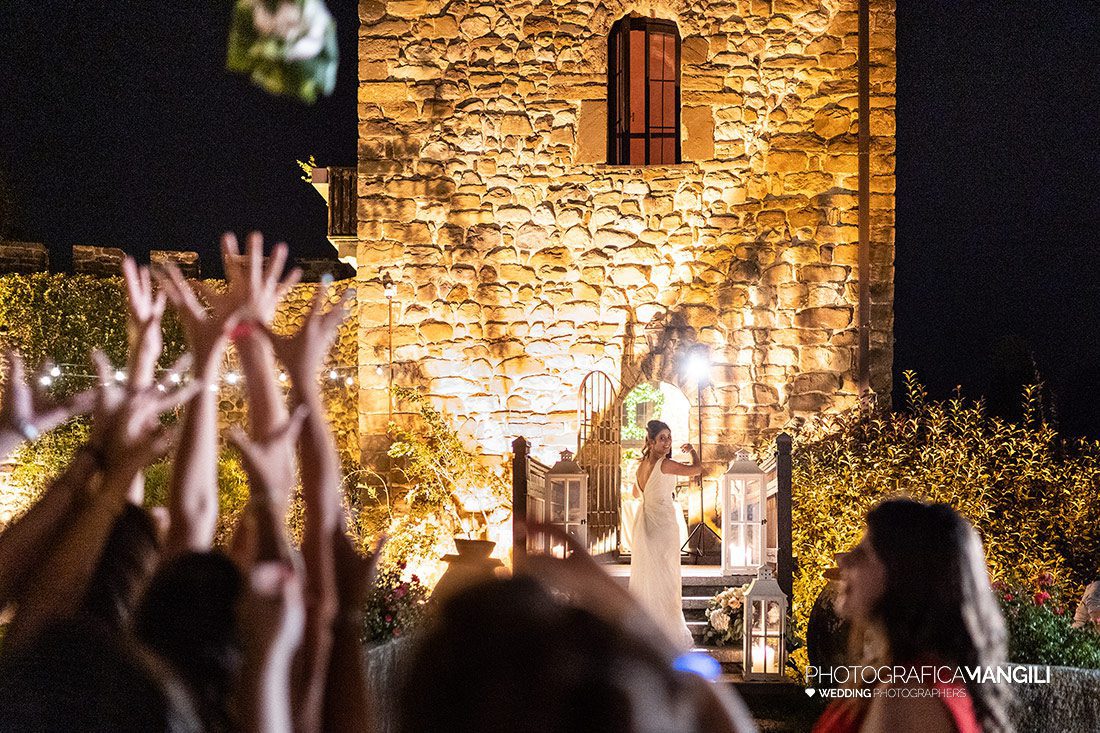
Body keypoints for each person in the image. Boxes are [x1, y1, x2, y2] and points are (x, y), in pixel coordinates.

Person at [813, 498, 1014, 733]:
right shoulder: (917, 679)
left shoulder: (907, 698)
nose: (844, 559)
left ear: (906, 575)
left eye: (864, 553)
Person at [629, 420, 701, 649]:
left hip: (645, 524)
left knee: (649, 577)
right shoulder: (665, 464)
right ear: (650, 442)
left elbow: (634, 493)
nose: (667, 442)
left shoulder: (640, 467)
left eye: (669, 437)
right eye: (662, 438)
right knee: (667, 578)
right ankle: (667, 632)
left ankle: (647, 629)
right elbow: (697, 470)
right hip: (663, 526)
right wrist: (693, 452)